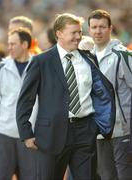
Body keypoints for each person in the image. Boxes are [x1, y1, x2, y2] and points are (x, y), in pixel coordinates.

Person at [16, 13, 115, 180]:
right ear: (59, 34)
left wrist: (97, 125)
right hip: (50, 135)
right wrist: (26, 133)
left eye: (79, 32)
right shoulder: (41, 61)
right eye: (73, 33)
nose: (78, 37)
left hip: (85, 131)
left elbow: (99, 93)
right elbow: (26, 99)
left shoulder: (88, 58)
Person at [84, 9, 132, 180]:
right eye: (94, 27)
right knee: (106, 177)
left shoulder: (123, 55)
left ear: (110, 28)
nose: (98, 31)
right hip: (99, 132)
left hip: (123, 131)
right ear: (89, 30)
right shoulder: (86, 58)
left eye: (102, 27)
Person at [0, 28, 37, 179]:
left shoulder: (39, 66)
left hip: (30, 135)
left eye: (13, 44)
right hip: (4, 134)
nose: (9, 48)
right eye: (9, 44)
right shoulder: (2, 67)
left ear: (25, 44)